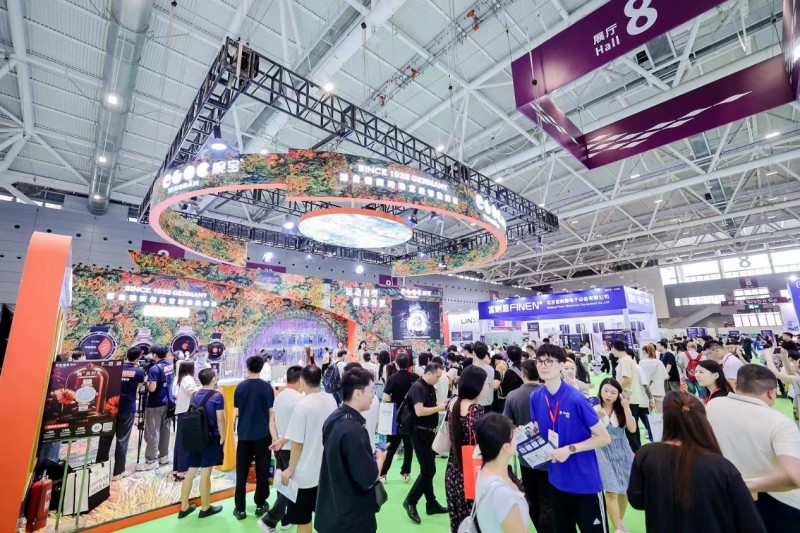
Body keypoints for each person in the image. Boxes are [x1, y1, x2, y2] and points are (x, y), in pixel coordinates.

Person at [627, 391, 766, 533]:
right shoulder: (721, 467)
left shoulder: (646, 455)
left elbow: (636, 500)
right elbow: (751, 523)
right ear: (702, 420)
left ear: (666, 419)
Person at [706, 365, 800, 531]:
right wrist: (745, 485)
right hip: (775, 504)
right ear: (771, 392)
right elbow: (794, 477)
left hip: (723, 497)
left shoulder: (713, 406)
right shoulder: (779, 423)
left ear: (736, 384)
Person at [530, 344, 611, 532]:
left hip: (585, 484)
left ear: (561, 365)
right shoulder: (536, 397)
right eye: (539, 361)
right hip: (556, 481)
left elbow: (603, 437)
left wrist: (570, 449)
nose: (543, 365)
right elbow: (539, 428)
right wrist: (527, 433)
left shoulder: (576, 399)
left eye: (549, 361)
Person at [315, 367, 386, 533]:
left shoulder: (333, 418)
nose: (373, 396)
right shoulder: (354, 430)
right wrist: (380, 459)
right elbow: (368, 478)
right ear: (358, 394)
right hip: (352, 518)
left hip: (332, 508)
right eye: (371, 390)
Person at [269, 365, 337, 533]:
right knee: (324, 518)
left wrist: (290, 469)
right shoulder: (331, 400)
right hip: (325, 471)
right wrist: (283, 440)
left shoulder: (303, 405)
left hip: (305, 475)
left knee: (304, 520)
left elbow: (297, 443)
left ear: (302, 380)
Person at [503, 359, 551, 532]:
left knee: (531, 497)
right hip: (550, 454)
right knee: (548, 499)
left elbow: (507, 423)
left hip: (525, 455)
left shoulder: (513, 395)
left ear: (523, 375)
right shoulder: (549, 392)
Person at [402, 362, 449, 524]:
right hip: (419, 432)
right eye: (437, 376)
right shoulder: (418, 387)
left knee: (428, 468)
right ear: (429, 373)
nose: (438, 380)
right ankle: (410, 501)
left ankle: (431, 503)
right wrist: (440, 407)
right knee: (428, 470)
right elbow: (419, 411)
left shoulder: (428, 387)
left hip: (427, 432)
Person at [178, 368, 225, 520]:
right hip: (210, 438)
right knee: (206, 473)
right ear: (213, 379)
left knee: (190, 472)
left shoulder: (194, 394)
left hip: (194, 436)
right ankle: (205, 508)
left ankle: (184, 507)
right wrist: (223, 436)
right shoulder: (217, 396)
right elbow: (220, 419)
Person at [444, 365, 487, 532]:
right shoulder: (476, 410)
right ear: (476, 386)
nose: (487, 387)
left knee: (458, 522)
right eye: (485, 383)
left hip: (454, 471)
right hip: (472, 473)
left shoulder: (454, 403)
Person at [233, 356, 276, 520]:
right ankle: (260, 503)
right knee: (262, 470)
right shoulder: (267, 388)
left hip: (244, 435)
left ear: (247, 368)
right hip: (263, 435)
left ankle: (240, 508)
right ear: (261, 367)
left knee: (241, 472)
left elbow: (237, 411)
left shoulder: (240, 387)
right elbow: (271, 413)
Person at [261, 366, 303, 531]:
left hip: (279, 446)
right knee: (290, 486)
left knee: (282, 484)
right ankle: (270, 520)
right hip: (292, 448)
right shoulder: (300, 399)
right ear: (300, 380)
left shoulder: (279, 397)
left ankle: (286, 519)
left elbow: (272, 420)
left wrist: (276, 439)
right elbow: (298, 427)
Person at [473, 413, 530, 533]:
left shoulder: (486, 471)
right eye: (513, 435)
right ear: (505, 447)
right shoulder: (503, 495)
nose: (517, 436)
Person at [96, 346, 145, 480]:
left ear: (126, 354)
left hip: (109, 408)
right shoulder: (139, 371)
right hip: (127, 408)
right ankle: (118, 472)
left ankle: (99, 470)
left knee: (105, 438)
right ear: (138, 357)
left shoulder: (115, 369)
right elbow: (139, 386)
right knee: (122, 439)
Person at [594, 378, 636, 533]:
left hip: (623, 451)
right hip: (602, 452)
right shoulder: (594, 408)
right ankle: (618, 528)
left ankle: (618, 520)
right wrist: (598, 417)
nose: (608, 395)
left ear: (618, 394)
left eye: (613, 392)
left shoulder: (621, 408)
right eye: (605, 390)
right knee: (611, 490)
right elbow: (590, 432)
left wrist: (626, 407)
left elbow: (632, 429)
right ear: (600, 390)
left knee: (625, 489)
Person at [379, 353, 417, 483]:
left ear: (396, 364)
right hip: (411, 417)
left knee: (391, 447)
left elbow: (385, 397)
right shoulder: (415, 377)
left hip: (395, 417)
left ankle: (383, 473)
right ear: (408, 364)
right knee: (408, 446)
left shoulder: (392, 378)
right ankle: (406, 473)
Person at [138, 344, 175, 471]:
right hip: (168, 402)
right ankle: (164, 456)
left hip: (155, 404)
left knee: (152, 432)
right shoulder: (170, 364)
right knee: (165, 430)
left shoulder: (154, 369)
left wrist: (146, 381)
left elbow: (152, 388)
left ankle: (151, 460)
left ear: (154, 354)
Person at [611, 340, 643, 452]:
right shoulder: (627, 359)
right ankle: (637, 450)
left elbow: (627, 379)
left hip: (628, 398)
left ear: (614, 348)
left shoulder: (625, 360)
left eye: (611, 349)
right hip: (630, 397)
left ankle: (636, 451)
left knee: (630, 428)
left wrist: (615, 389)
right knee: (633, 426)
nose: (611, 352)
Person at [172, 360, 197, 481]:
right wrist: (203, 390)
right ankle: (184, 469)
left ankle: (179, 468)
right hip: (187, 411)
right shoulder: (188, 379)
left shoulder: (181, 379)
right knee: (185, 441)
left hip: (183, 411)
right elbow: (191, 393)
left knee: (181, 440)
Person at [639, 343, 668, 412]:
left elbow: (640, 376)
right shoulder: (659, 362)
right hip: (659, 390)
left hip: (647, 390)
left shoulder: (642, 362)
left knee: (648, 413)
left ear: (644, 352)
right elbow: (665, 376)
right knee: (660, 412)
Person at [473, 341, 500, 409]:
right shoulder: (491, 369)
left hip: (475, 404)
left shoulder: (471, 369)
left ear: (474, 353)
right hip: (489, 403)